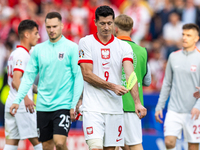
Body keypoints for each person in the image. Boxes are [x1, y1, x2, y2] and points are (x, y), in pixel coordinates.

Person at [10, 12, 83, 150]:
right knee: (47, 146)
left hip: (63, 104)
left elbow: (78, 77)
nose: (51, 30)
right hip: (43, 105)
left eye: (55, 26)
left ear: (62, 25)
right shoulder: (38, 50)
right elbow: (28, 78)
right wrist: (17, 100)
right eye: (48, 27)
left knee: (60, 142)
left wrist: (74, 104)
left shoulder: (72, 47)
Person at [78, 6, 147, 150]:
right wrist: (113, 86)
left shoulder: (123, 47)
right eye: (102, 23)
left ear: (114, 23)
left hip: (115, 108)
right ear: (95, 22)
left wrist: (137, 103)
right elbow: (87, 74)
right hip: (93, 107)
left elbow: (130, 75)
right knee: (95, 147)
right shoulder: (86, 42)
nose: (106, 27)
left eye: (109, 23)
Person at [155, 23, 200, 150]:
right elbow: (167, 83)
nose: (184, 38)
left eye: (189, 35)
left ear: (196, 38)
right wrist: (160, 106)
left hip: (194, 111)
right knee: (169, 142)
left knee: (193, 146)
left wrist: (198, 106)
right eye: (183, 35)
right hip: (174, 109)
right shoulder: (173, 56)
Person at [4, 20, 42, 150]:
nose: (38, 36)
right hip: (21, 105)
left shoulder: (15, 53)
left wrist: (37, 90)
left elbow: (22, 81)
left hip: (12, 101)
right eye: (36, 33)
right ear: (27, 34)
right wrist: (26, 98)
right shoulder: (22, 54)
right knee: (38, 141)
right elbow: (16, 80)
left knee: (11, 143)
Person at [114, 14, 151, 150]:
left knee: (112, 144)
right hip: (133, 105)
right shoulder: (142, 51)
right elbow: (147, 80)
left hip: (112, 103)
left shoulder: (110, 48)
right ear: (132, 29)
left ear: (115, 28)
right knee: (135, 144)